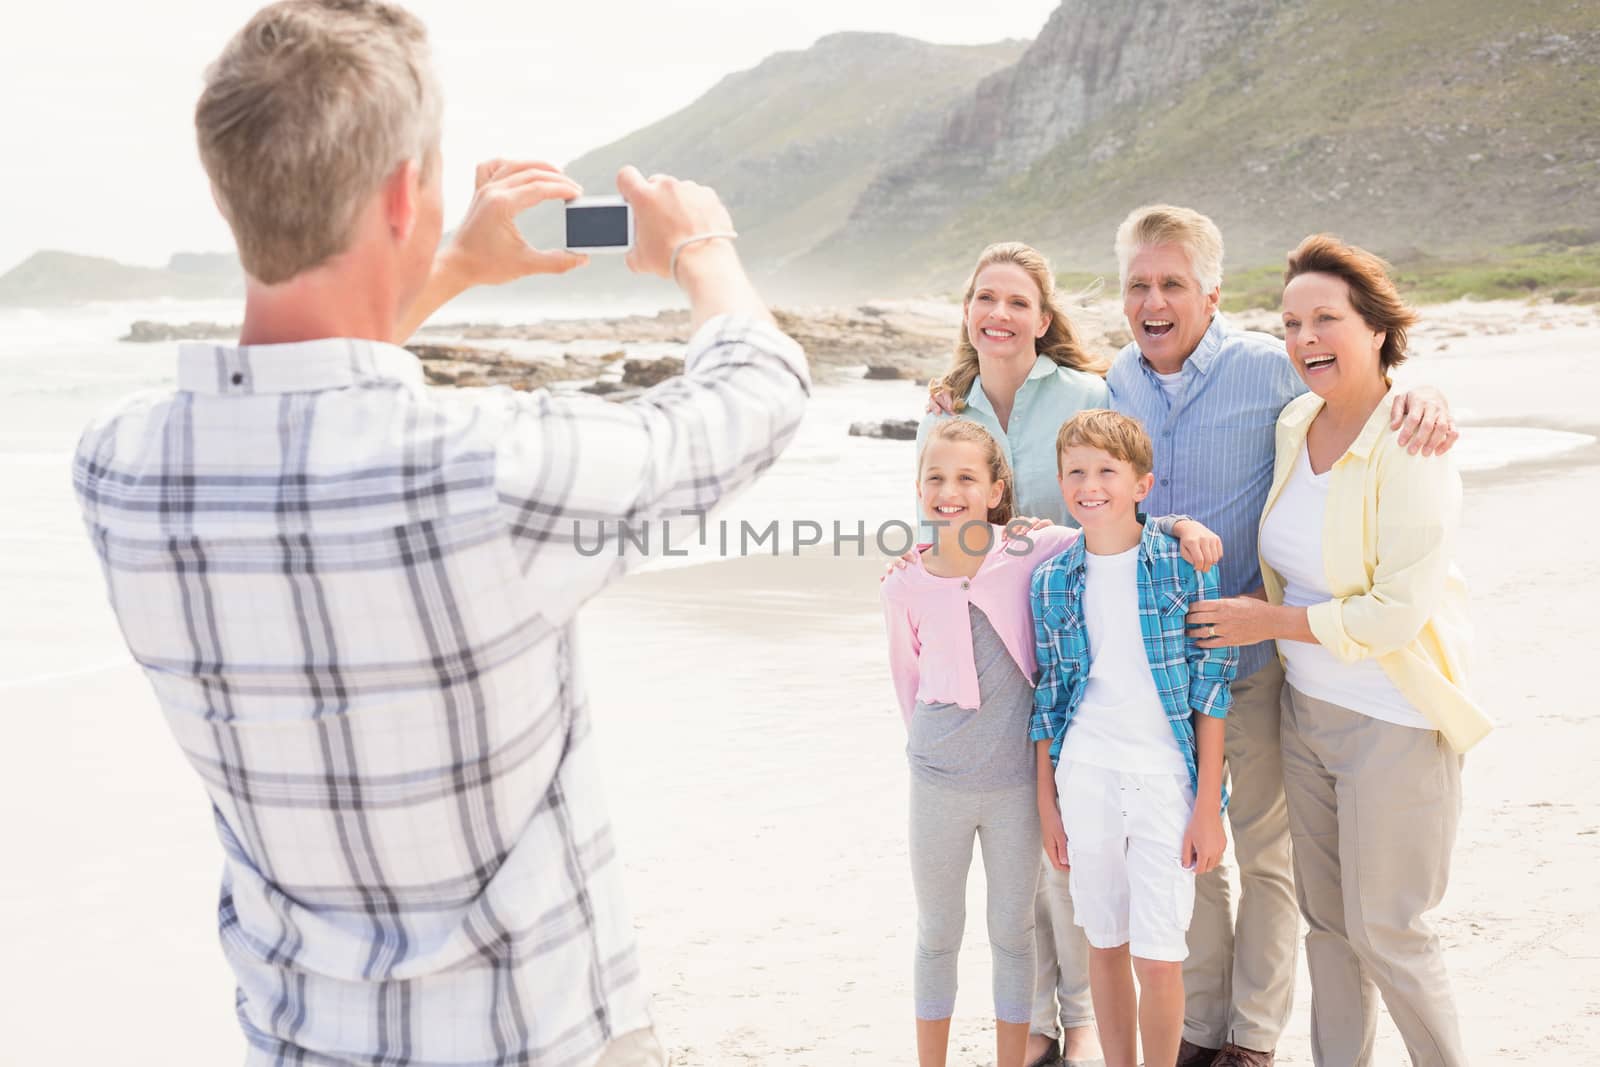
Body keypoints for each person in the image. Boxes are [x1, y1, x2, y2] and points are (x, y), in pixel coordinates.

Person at [69, 3, 809, 1065]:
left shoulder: (120, 467)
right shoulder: (491, 472)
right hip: (535, 1036)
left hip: (297, 1039)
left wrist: (453, 266)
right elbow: (754, 395)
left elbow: (299, 405)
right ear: (405, 193)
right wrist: (703, 246)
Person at [1105, 205, 1458, 1067]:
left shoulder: (1273, 373)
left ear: (1212, 292)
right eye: (1138, 286)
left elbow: (1371, 396)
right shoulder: (1113, 380)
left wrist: (1427, 388)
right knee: (1189, 852)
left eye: (1173, 284)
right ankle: (1201, 1024)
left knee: (1273, 861)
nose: (1155, 302)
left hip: (1268, 665)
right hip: (1162, 669)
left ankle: (1252, 1040)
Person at [917, 240, 1223, 1067]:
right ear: (969, 312)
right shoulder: (952, 406)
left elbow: (1129, 463)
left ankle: (1080, 1019)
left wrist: (1180, 528)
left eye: (1019, 301)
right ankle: (1047, 1025)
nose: (1001, 314)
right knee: (1043, 850)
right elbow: (938, 516)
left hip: (1090, 638)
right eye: (986, 298)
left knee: (1090, 873)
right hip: (1008, 647)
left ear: (1044, 318)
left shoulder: (1088, 389)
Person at [1188, 235, 1490, 1066]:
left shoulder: (1412, 443)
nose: (1305, 337)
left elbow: (1394, 613)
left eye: (1326, 318)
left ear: (1376, 328)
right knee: (1329, 930)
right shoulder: (1294, 421)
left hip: (1392, 718)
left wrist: (1268, 623)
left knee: (1390, 929)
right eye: (1290, 323)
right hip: (1306, 714)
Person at [1031, 409, 1238, 1067]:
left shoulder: (1183, 566)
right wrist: (1045, 804)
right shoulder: (1052, 579)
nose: (1090, 485)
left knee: (1159, 953)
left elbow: (1212, 690)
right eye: (1075, 472)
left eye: (1106, 472)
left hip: (1164, 782)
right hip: (1084, 775)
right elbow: (1048, 699)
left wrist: (1209, 805)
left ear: (1142, 484)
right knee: (1105, 942)